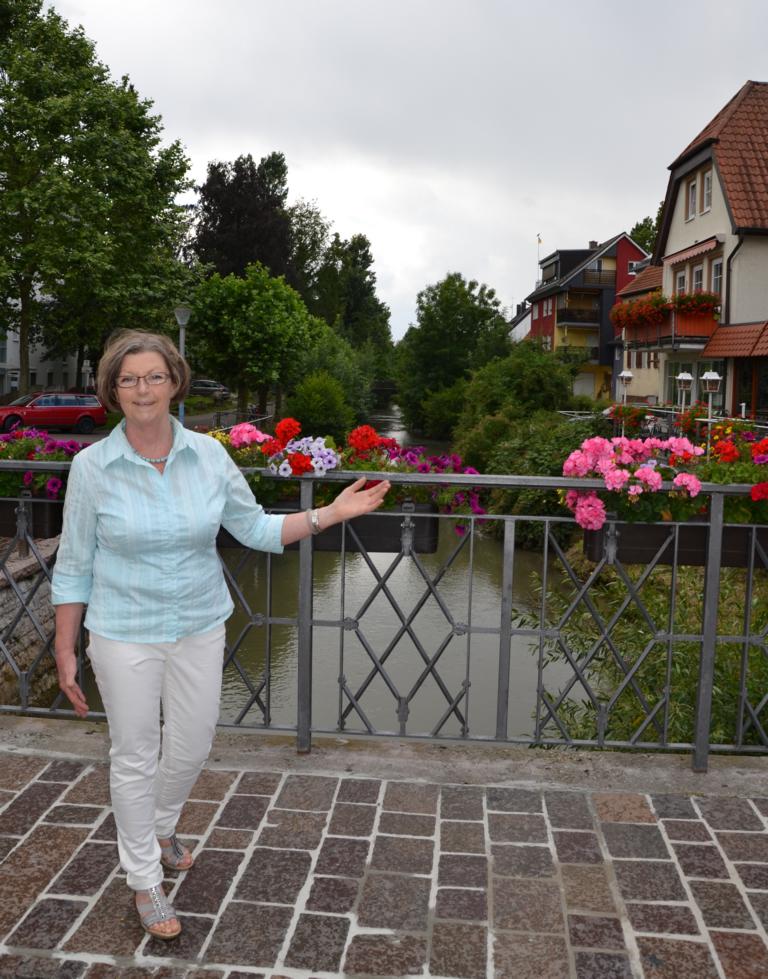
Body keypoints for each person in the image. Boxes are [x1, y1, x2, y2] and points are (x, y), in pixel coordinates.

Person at [52, 329, 389, 940]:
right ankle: (143, 877)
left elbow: (255, 527)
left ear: (175, 381)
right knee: (133, 754)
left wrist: (330, 514)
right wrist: (64, 648)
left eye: (154, 376)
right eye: (128, 379)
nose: (142, 389)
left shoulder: (208, 456)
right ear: (112, 389)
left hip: (199, 623)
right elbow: (74, 563)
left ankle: (159, 824)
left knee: (193, 743)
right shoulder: (92, 467)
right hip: (123, 630)